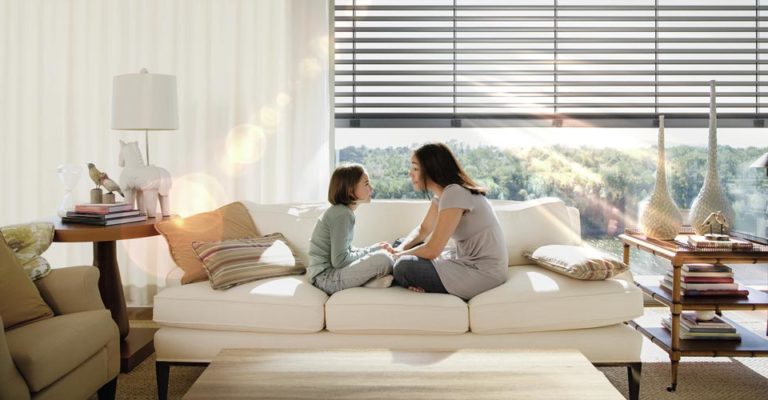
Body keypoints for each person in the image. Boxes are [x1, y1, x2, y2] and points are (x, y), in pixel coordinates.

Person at [393, 143, 508, 300]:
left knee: (404, 266)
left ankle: (390, 273)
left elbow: (433, 250)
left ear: (431, 169)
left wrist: (396, 256)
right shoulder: (442, 196)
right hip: (463, 259)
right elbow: (423, 229)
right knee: (401, 242)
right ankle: (397, 273)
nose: (410, 173)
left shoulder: (455, 192)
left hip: (483, 272)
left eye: (415, 168)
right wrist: (398, 249)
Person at [308, 163, 396, 295]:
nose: (371, 188)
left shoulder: (341, 212)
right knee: (384, 259)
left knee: (384, 255)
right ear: (350, 191)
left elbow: (346, 251)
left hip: (327, 275)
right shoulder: (342, 214)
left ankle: (368, 281)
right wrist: (373, 251)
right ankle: (368, 281)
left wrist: (374, 248)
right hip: (325, 279)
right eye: (366, 184)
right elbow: (340, 261)